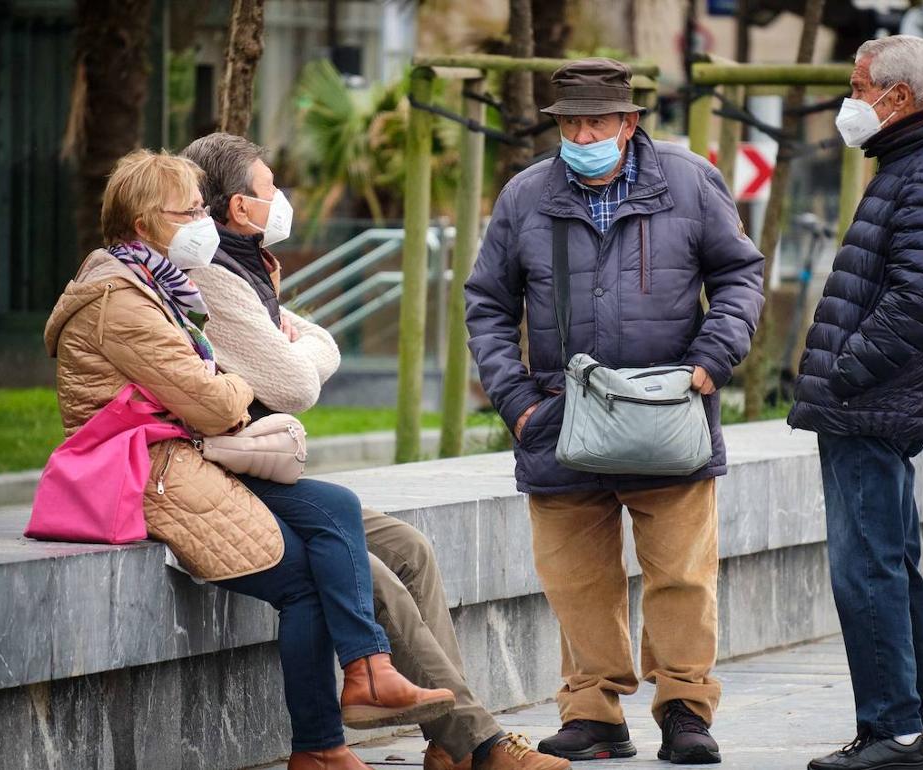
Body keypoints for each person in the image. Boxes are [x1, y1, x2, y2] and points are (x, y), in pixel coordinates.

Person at [42, 149, 454, 770]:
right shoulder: (121, 302)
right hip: (153, 473)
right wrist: (234, 375)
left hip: (188, 460)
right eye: (187, 211)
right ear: (147, 222)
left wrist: (224, 375)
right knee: (304, 582)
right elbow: (212, 399)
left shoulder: (154, 285)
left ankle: (364, 680)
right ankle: (323, 741)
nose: (200, 221)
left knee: (335, 506)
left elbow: (230, 379)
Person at [178, 132, 570, 770]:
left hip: (254, 466)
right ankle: (481, 745)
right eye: (268, 188)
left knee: (408, 549)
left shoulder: (249, 268)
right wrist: (305, 345)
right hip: (225, 476)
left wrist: (299, 340)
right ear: (237, 208)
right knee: (373, 572)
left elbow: (300, 347)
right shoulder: (214, 278)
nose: (281, 199)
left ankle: (448, 742)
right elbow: (296, 382)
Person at [464, 58, 765, 765]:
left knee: (683, 574)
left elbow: (740, 274)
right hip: (561, 421)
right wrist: (517, 404)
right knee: (577, 579)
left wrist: (709, 365)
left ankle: (686, 708)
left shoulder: (690, 182)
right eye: (570, 122)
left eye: (597, 120)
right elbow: (487, 303)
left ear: (629, 123)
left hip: (670, 414)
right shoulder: (526, 195)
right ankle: (593, 711)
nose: (582, 133)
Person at [787, 35, 923, 770]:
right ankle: (918, 732)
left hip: (869, 405)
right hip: (879, 403)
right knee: (891, 566)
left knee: (866, 571)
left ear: (898, 98)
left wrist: (842, 372)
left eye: (858, 86)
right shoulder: (916, 162)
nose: (851, 100)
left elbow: (917, 298)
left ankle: (892, 733)